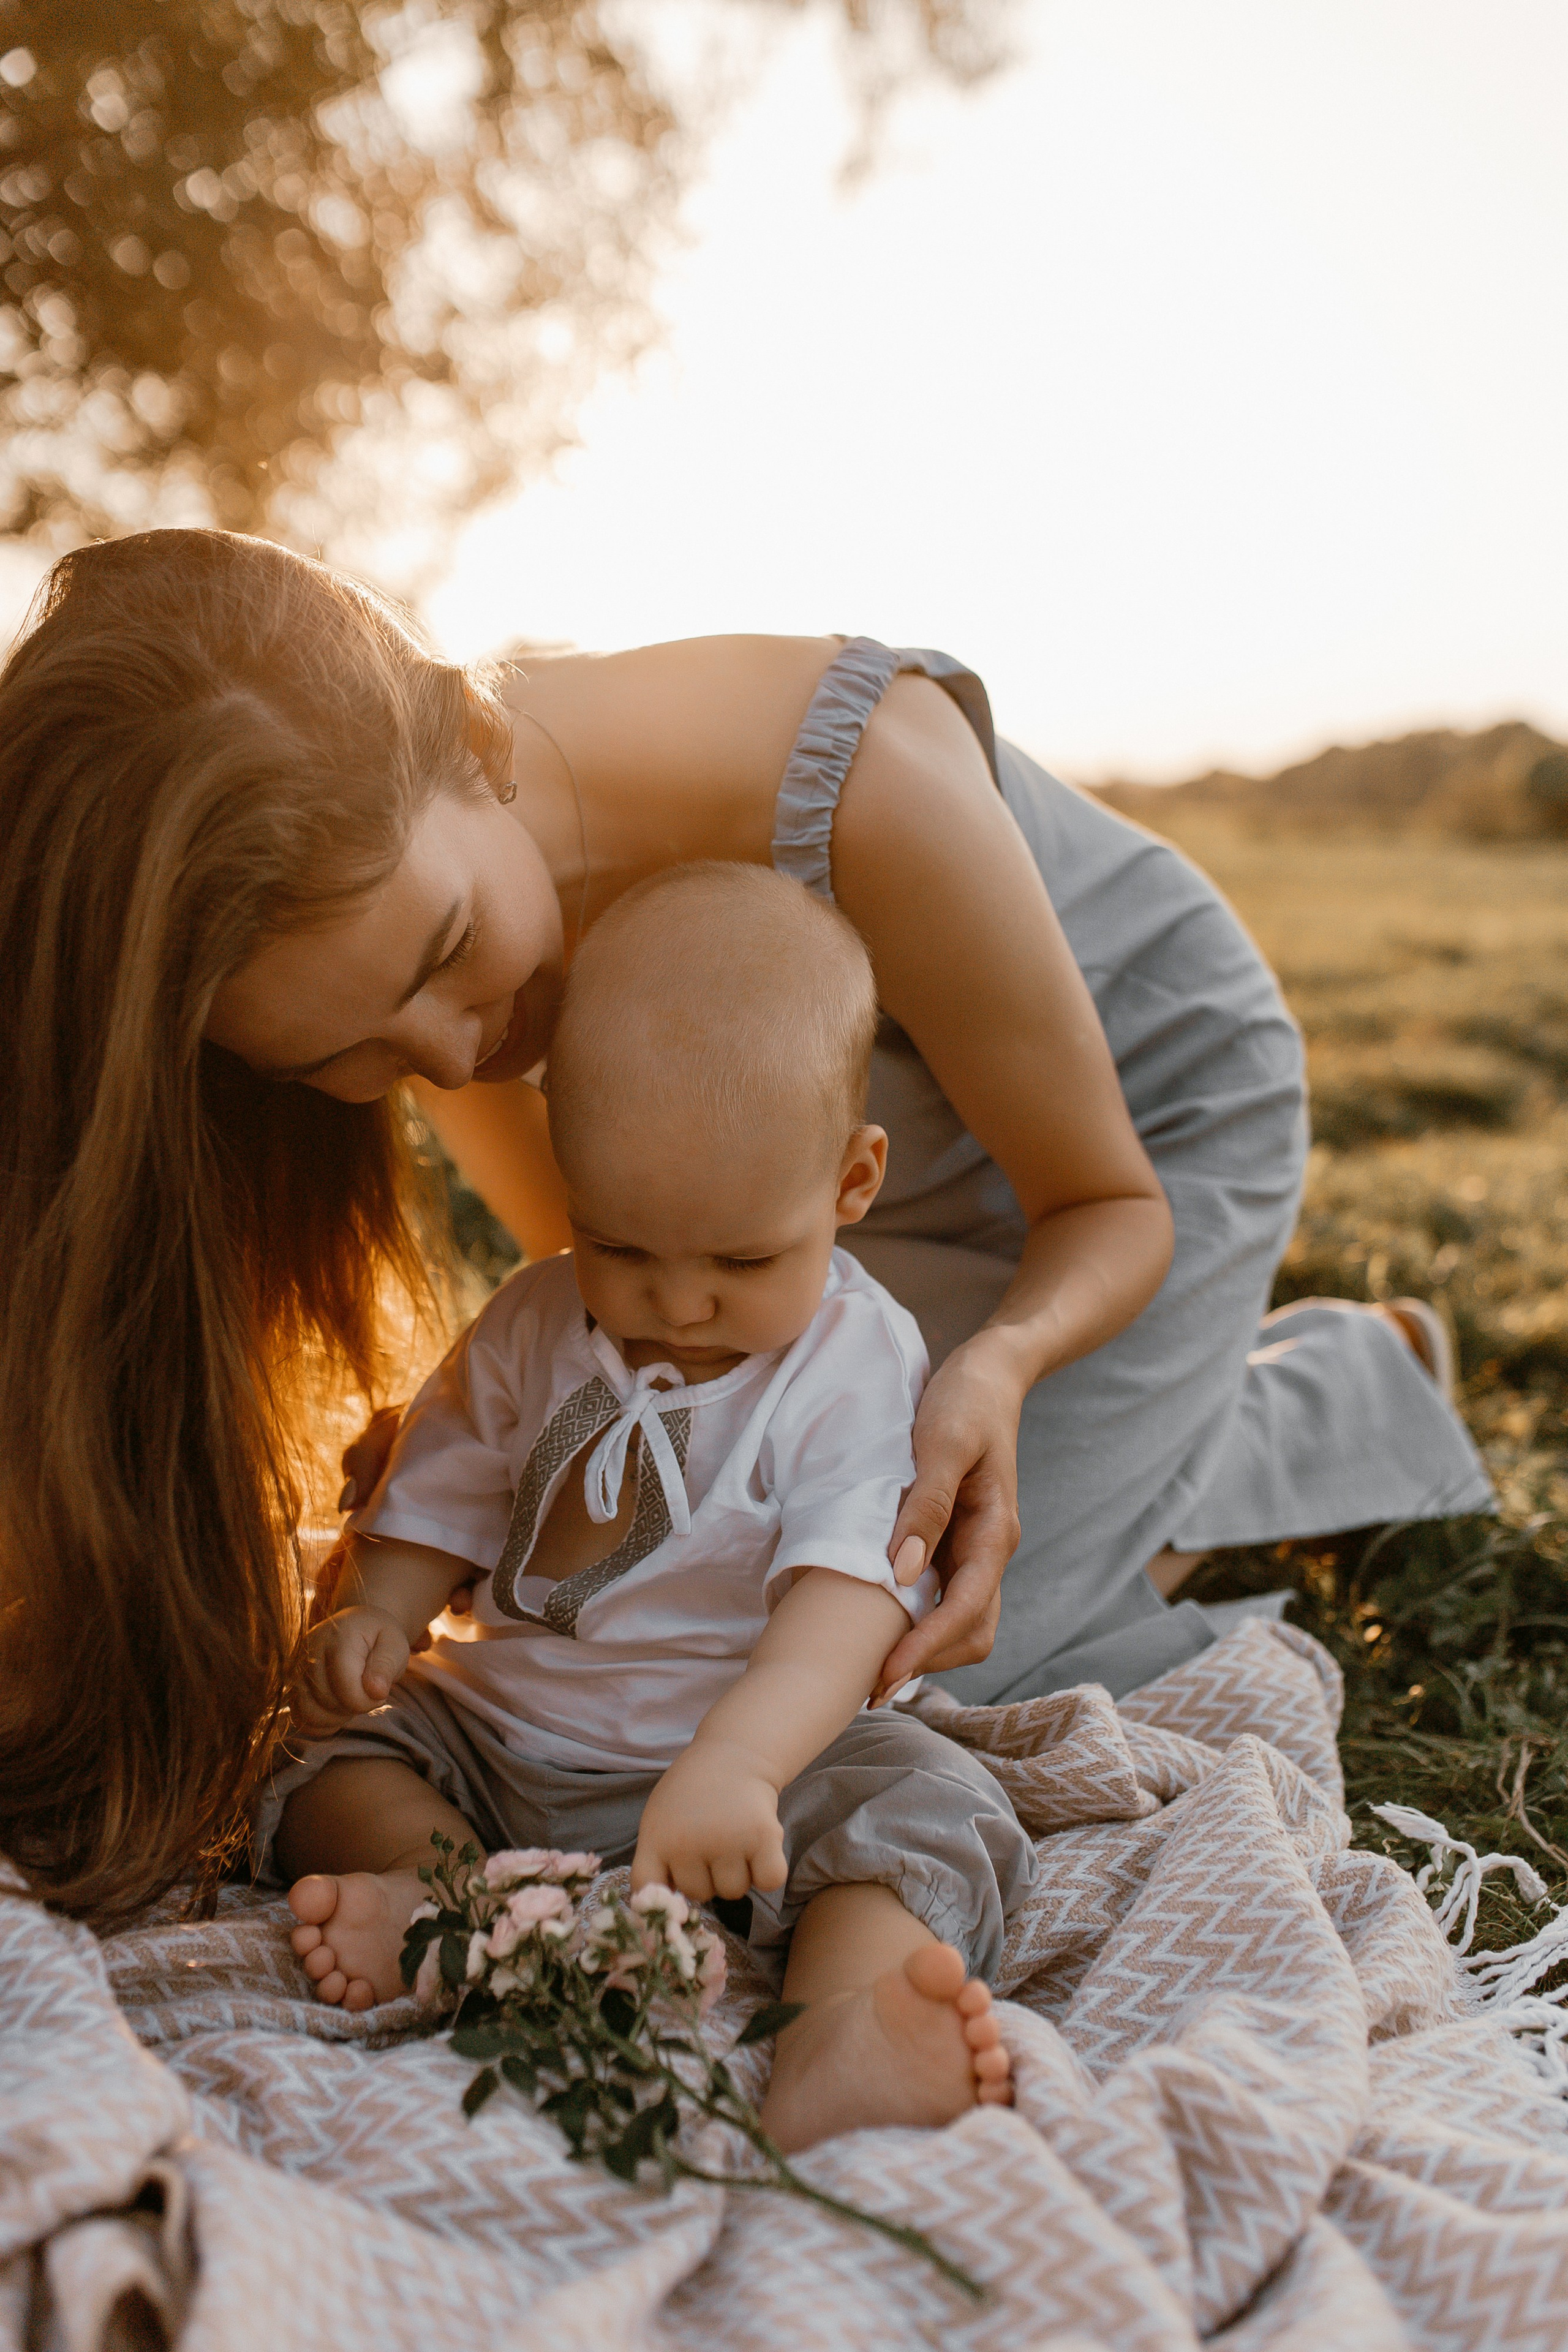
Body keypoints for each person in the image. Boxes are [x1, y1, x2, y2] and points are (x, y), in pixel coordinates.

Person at [0, 529, 1490, 1926]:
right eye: (345, 1062)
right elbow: (619, 1293)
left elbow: (1102, 1200)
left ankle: (1324, 1392)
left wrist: (989, 1375)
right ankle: (1199, 1412)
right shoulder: (423, 976)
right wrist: (493, 1448)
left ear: (479, 747)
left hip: (1130, 1140)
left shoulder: (856, 785)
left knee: (913, 1650)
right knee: (764, 1577)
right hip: (787, 1231)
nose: (452, 1061)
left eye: (447, 959)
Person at [270, 864, 1031, 2150]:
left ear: (850, 1183)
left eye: (741, 1260)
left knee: (926, 1807)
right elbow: (436, 1491)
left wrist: (737, 1762)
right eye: (618, 1244)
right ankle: (454, 1904)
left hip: (751, 1778)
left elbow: (845, 1601)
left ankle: (842, 2032)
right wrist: (380, 1612)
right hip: (508, 1744)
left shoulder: (850, 1360)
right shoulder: (529, 1320)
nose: (675, 1303)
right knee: (327, 1765)